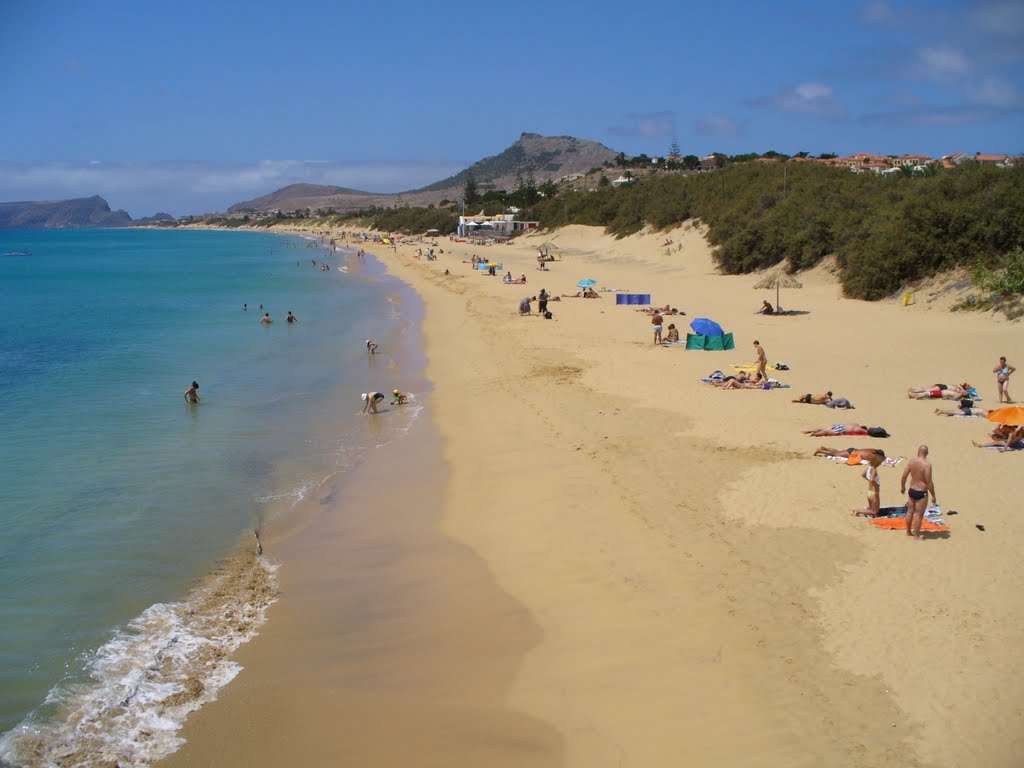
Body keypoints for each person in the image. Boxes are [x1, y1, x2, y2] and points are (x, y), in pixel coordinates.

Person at [900, 445, 937, 539]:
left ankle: (908, 531)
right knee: (919, 515)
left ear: (918, 452)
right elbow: (929, 481)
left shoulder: (911, 462)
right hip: (921, 492)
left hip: (912, 490)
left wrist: (902, 487)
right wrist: (933, 495)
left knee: (910, 511)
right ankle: (916, 535)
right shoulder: (927, 465)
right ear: (927, 453)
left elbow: (904, 476)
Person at [813, 446, 886, 461]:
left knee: (838, 452)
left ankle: (825, 448)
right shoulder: (872, 455)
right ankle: (820, 451)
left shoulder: (872, 450)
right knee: (835, 454)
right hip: (851, 454)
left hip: (853, 449)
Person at [802, 423, 869, 437]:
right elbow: (866, 432)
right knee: (826, 432)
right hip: (841, 429)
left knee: (823, 429)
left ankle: (808, 431)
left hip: (839, 425)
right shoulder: (858, 429)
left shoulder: (855, 424)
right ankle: (813, 434)